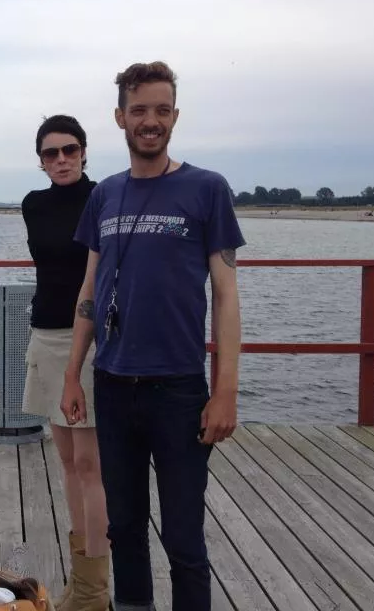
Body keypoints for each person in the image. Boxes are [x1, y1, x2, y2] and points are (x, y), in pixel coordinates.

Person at [61, 61, 244, 611]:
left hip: (179, 389)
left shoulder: (206, 189)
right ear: (120, 117)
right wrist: (71, 373)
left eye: (162, 110)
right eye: (139, 110)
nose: (151, 121)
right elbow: (90, 288)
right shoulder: (105, 195)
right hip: (113, 385)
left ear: (175, 117)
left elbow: (226, 295)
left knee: (184, 537)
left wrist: (225, 391)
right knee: (125, 529)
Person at [20, 115, 110, 611]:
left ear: (84, 151)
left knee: (91, 464)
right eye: (50, 153)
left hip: (91, 340)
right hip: (46, 335)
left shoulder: (104, 198)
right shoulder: (33, 205)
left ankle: (95, 590)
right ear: (40, 160)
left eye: (69, 149)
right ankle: (81, 579)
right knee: (69, 462)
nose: (61, 160)